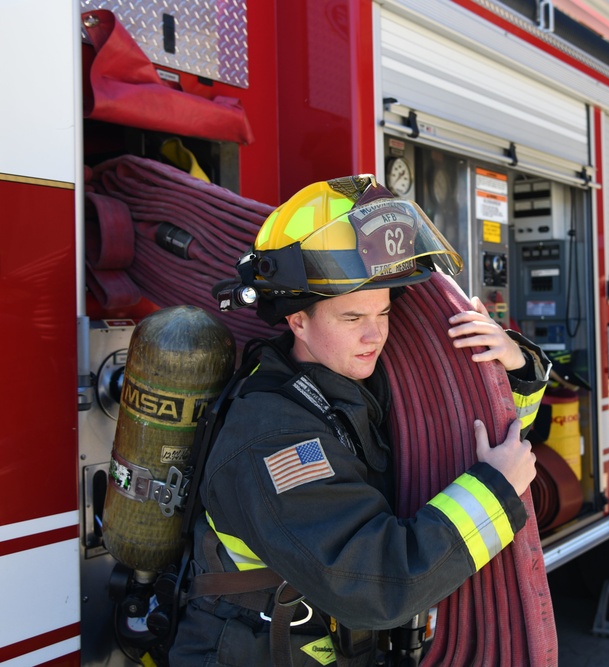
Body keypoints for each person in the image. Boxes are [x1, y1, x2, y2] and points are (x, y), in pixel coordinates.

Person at [169, 174, 551, 667]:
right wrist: (495, 492)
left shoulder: (349, 385)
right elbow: (374, 582)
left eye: (385, 313)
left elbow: (487, 445)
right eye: (352, 318)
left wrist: (511, 373)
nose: (375, 336)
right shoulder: (274, 437)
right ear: (297, 320)